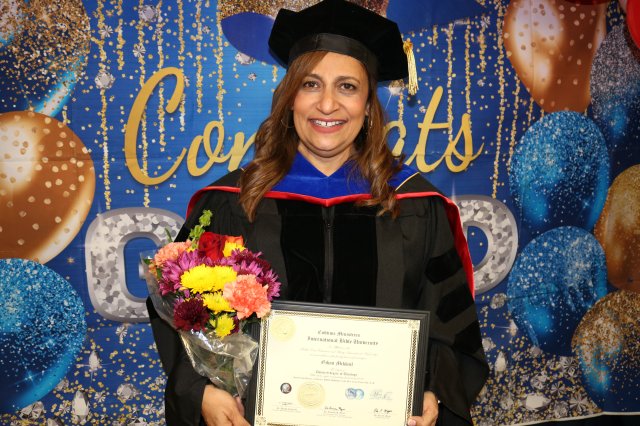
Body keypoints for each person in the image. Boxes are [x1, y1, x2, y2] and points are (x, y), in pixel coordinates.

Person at [147, 1, 489, 425]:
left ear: (368, 106)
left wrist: (434, 390)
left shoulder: (415, 205)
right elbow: (182, 310)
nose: (327, 104)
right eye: (311, 84)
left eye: (347, 87)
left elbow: (448, 325)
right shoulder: (233, 201)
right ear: (290, 98)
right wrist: (199, 392)